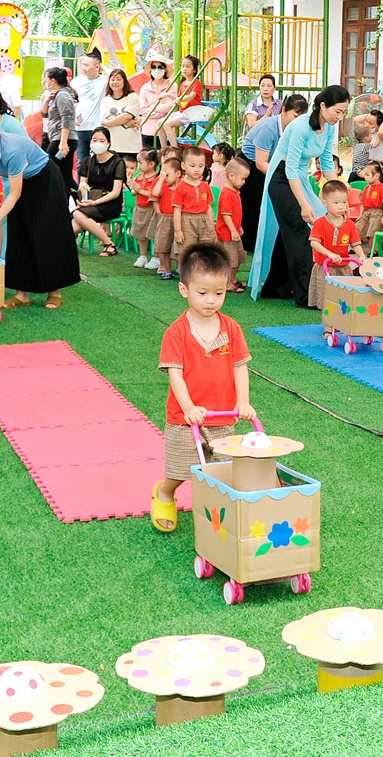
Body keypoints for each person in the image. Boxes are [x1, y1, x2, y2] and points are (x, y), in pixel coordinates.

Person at [150, 243, 255, 533]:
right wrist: (188, 408)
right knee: (181, 469)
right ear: (184, 290)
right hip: (185, 418)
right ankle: (165, 493)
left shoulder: (231, 329)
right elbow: (175, 374)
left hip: (222, 415)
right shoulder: (176, 333)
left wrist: (243, 401)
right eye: (203, 293)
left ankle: (219, 513)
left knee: (224, 469)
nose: (211, 301)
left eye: (219, 293)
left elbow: (240, 366)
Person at [0, 115, 80, 311]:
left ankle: (54, 291)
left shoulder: (12, 151)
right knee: (19, 234)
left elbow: (15, 193)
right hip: (23, 183)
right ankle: (21, 294)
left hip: (45, 181)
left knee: (46, 234)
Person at [250, 85, 350, 305]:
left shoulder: (329, 127)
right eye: (338, 111)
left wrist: (338, 192)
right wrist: (304, 204)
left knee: (290, 230)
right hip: (281, 177)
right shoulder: (300, 126)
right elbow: (291, 168)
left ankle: (277, 287)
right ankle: (307, 295)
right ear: (323, 105)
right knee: (301, 229)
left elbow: (326, 160)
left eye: (343, 113)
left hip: (299, 177)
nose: (339, 117)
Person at [238, 93, 308, 267]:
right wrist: (286, 176)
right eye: (295, 115)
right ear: (283, 110)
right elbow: (260, 163)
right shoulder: (268, 128)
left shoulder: (297, 130)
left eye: (302, 117)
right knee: (255, 209)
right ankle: (253, 250)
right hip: (251, 167)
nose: (298, 121)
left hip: (274, 165)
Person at [308, 180, 365, 314]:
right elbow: (314, 243)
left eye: (344, 202)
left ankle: (343, 317)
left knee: (345, 296)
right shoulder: (320, 223)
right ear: (324, 202)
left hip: (343, 266)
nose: (341, 207)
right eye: (336, 203)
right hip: (325, 266)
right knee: (326, 296)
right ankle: (328, 320)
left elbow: (355, 243)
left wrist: (361, 255)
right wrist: (330, 254)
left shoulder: (349, 224)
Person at [71, 127, 123, 258]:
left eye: (102, 140)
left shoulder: (118, 162)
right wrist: (83, 188)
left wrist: (94, 203)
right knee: (76, 222)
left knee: (77, 213)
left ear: (109, 143)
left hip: (110, 203)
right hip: (91, 202)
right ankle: (64, 243)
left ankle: (109, 243)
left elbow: (116, 193)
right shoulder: (88, 161)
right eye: (94, 140)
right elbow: (83, 184)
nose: (97, 143)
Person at [172, 146, 215, 262]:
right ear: (183, 165)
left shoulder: (205, 186)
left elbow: (209, 207)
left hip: (204, 219)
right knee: (186, 248)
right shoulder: (180, 187)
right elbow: (177, 210)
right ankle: (184, 272)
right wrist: (178, 230)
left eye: (201, 166)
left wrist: (211, 224)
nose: (197, 169)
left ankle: (203, 270)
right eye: (192, 166)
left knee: (206, 247)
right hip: (187, 220)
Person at [41, 67, 78, 193]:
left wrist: (63, 142)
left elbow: (66, 118)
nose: (45, 82)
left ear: (52, 81)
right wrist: (47, 100)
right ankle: (71, 198)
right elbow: (44, 114)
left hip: (62, 139)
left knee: (48, 167)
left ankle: (73, 197)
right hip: (58, 138)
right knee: (65, 175)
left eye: (46, 79)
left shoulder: (62, 95)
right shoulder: (56, 95)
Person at [70, 51, 108, 173]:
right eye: (83, 64)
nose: (83, 68)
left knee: (99, 159)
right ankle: (81, 184)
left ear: (97, 67)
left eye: (87, 65)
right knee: (81, 161)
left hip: (97, 126)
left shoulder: (104, 81)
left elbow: (115, 74)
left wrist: (102, 67)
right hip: (80, 126)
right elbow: (73, 101)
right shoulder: (77, 81)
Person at [217, 158, 250, 292]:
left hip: (234, 232)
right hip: (227, 235)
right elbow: (226, 214)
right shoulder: (226, 193)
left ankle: (232, 279)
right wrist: (232, 229)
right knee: (230, 260)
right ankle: (227, 283)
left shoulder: (234, 191)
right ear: (231, 176)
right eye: (243, 179)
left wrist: (237, 227)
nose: (244, 182)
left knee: (238, 258)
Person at [162, 54, 204, 146]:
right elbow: (178, 100)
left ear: (194, 70)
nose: (184, 69)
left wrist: (180, 99)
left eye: (187, 67)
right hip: (183, 112)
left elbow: (191, 96)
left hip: (191, 112)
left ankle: (174, 149)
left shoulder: (196, 83)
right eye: (183, 66)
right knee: (160, 123)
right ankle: (163, 148)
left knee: (168, 124)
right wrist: (168, 95)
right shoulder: (183, 83)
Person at [129, 148, 161, 269]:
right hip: (140, 209)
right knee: (140, 234)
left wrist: (139, 190)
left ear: (151, 164)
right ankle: (142, 256)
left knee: (154, 233)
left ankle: (156, 257)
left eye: (140, 162)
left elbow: (153, 194)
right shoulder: (139, 176)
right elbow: (134, 192)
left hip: (151, 209)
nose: (138, 166)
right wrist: (133, 188)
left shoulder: (156, 178)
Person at [138, 52, 176, 149]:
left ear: (165, 69)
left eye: (160, 67)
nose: (156, 69)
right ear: (150, 70)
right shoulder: (145, 87)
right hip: (147, 130)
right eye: (154, 67)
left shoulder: (172, 86)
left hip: (164, 131)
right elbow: (142, 110)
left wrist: (152, 108)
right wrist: (160, 111)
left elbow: (171, 106)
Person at [153, 158, 183, 279]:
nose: (164, 176)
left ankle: (181, 268)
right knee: (163, 245)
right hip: (165, 218)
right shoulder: (163, 185)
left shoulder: (182, 186)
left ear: (178, 173)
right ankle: (167, 269)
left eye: (167, 174)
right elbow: (155, 193)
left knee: (180, 245)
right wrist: (160, 179)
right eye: (162, 173)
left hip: (180, 219)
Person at [99, 68, 141, 156]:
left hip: (131, 147)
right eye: (112, 79)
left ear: (124, 81)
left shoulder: (133, 97)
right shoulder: (105, 100)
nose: (115, 82)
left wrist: (108, 123)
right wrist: (127, 122)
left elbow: (127, 116)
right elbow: (107, 117)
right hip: (112, 147)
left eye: (118, 79)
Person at [357, 161, 383, 251]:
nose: (365, 177)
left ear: (376, 176)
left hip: (377, 213)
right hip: (366, 212)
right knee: (358, 228)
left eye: (367, 175)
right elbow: (362, 203)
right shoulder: (367, 187)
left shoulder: (381, 188)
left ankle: (374, 250)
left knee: (372, 232)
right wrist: (360, 215)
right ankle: (356, 248)